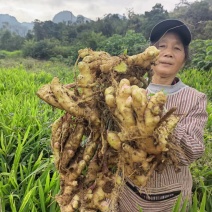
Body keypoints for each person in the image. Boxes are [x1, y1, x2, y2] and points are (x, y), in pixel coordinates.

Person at [117, 19, 208, 212]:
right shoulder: (130, 90)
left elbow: (193, 150)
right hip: (127, 193)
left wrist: (156, 113)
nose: (168, 52)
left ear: (184, 59)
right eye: (161, 46)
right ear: (149, 54)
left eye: (177, 48)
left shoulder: (195, 98)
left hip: (172, 196)